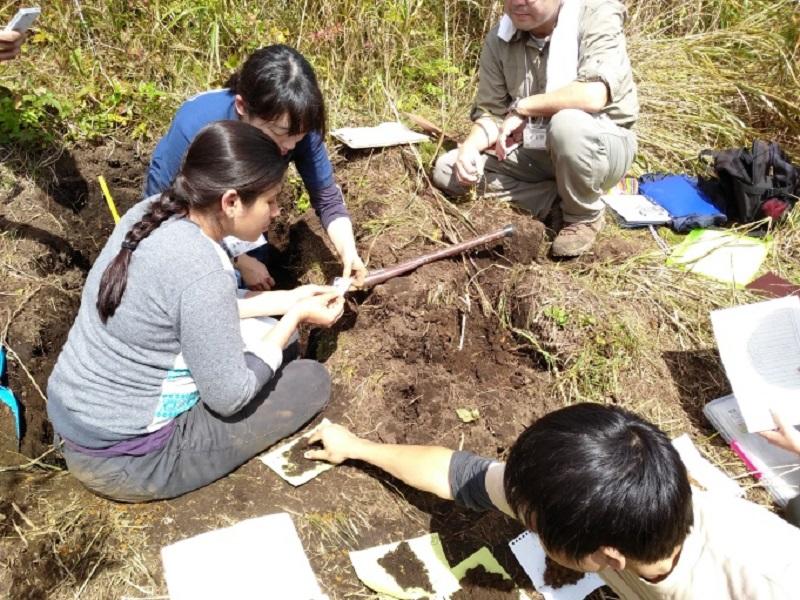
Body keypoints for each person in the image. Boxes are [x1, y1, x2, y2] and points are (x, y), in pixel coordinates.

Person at [47, 121, 345, 502]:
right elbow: (230, 397)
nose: (276, 212)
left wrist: (292, 298)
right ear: (231, 202)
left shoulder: (150, 214)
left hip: (77, 421)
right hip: (129, 460)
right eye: (270, 201)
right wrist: (294, 319)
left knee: (277, 345)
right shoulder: (204, 269)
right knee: (308, 379)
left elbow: (198, 307)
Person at [307, 403, 800, 598]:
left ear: (607, 558)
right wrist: (356, 448)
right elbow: (457, 474)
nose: (531, 531)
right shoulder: (589, 498)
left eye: (537, 532)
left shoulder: (761, 582)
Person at [146, 44, 366, 291]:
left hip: (241, 218)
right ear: (242, 107)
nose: (290, 146)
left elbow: (327, 199)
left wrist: (348, 252)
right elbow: (164, 214)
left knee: (257, 278)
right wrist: (237, 261)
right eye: (279, 134)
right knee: (219, 284)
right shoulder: (196, 127)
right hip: (188, 224)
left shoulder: (296, 124)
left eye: (300, 136)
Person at [432, 0, 638, 257]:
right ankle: (552, 202)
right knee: (447, 170)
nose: (518, 2)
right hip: (534, 147)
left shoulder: (595, 14)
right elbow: (491, 114)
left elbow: (593, 96)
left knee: (567, 124)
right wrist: (471, 149)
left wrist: (523, 108)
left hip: (600, 145)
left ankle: (583, 216)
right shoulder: (501, 36)